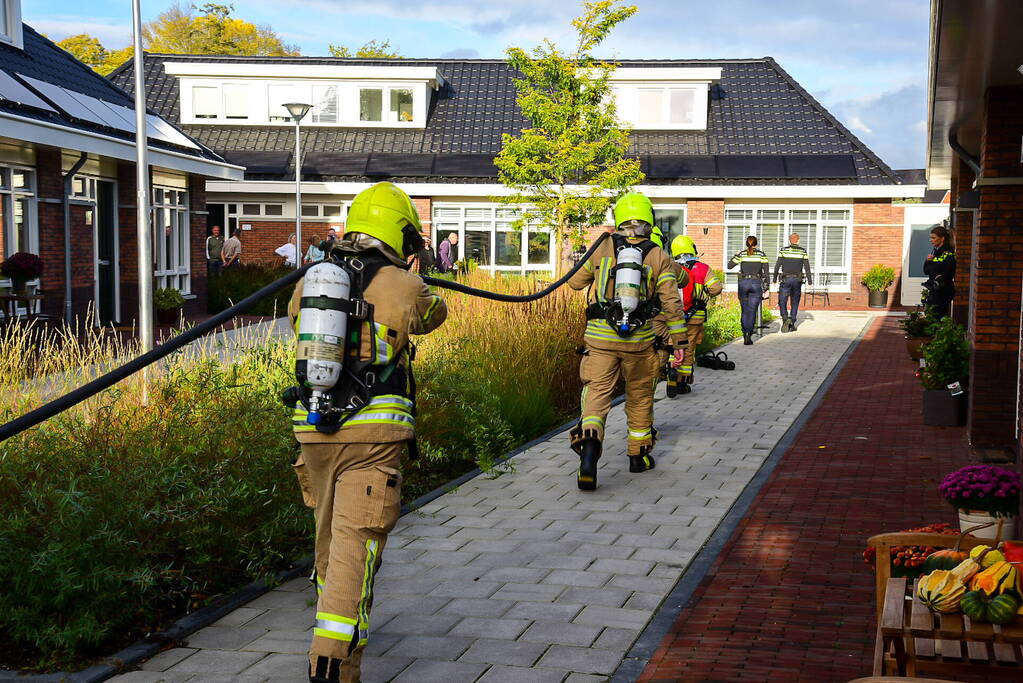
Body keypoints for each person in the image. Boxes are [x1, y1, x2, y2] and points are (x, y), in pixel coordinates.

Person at [288, 182, 447, 683]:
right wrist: (417, 278)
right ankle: (331, 663)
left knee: (330, 544)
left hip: (313, 432)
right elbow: (435, 315)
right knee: (356, 545)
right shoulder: (404, 284)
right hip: (373, 438)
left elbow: (296, 321)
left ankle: (338, 627)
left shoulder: (312, 280)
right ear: (401, 234)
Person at [568, 192, 688, 490]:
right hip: (639, 342)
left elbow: (574, 283)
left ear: (619, 218)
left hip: (599, 339)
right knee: (639, 397)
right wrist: (680, 345)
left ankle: (589, 453)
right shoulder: (658, 255)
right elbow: (672, 304)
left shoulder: (602, 246)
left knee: (597, 394)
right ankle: (638, 457)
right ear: (650, 221)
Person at [667, 235, 723, 392]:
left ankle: (671, 373)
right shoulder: (702, 268)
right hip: (694, 317)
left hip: (672, 316)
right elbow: (716, 288)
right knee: (688, 348)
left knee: (673, 346)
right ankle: (682, 384)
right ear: (692, 248)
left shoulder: (669, 267)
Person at [728, 235, 769, 345]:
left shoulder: (742, 254)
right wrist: (767, 288)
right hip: (756, 283)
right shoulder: (761, 254)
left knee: (744, 310)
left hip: (743, 284)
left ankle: (744, 332)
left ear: (747, 243)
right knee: (752, 311)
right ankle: (748, 335)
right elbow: (766, 272)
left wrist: (736, 255)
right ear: (756, 243)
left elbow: (729, 265)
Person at [773, 233, 813, 332]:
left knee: (782, 301)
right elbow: (807, 267)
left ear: (789, 241)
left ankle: (785, 319)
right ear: (798, 241)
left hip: (785, 279)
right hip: (797, 280)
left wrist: (774, 279)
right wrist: (810, 281)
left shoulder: (783, 250)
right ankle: (792, 321)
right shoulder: (802, 251)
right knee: (795, 301)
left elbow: (777, 265)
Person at [922, 222, 955, 319]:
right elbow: (926, 271)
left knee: (937, 317)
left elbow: (949, 271)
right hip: (935, 290)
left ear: (942, 238)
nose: (930, 240)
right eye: (930, 237)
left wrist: (940, 277)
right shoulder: (935, 253)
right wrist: (927, 261)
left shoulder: (947, 253)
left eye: (933, 238)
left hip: (943, 291)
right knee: (932, 315)